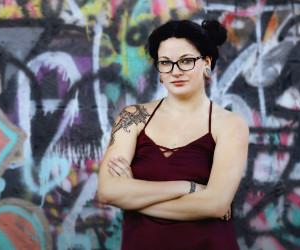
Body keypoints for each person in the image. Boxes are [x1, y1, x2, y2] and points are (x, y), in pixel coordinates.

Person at [97, 19, 249, 250]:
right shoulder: (133, 117)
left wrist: (133, 197)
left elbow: (215, 204)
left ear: (206, 63)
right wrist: (187, 187)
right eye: (165, 63)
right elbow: (108, 191)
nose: (175, 71)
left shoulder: (230, 125)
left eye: (186, 61)